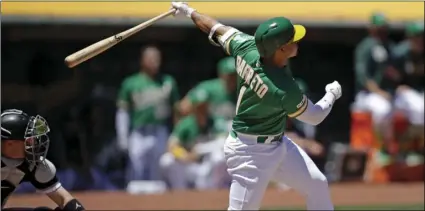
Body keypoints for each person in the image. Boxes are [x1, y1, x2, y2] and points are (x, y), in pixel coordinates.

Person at [170, 2, 341, 210]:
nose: (297, 41)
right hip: (250, 153)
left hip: (278, 143)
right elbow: (315, 116)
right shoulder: (281, 87)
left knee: (317, 184)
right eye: (292, 39)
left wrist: (189, 12)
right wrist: (332, 94)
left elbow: (213, 27)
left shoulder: (246, 46)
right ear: (281, 48)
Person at [115, 46, 180, 185]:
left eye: (157, 59)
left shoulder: (167, 82)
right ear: (143, 61)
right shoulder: (131, 83)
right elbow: (123, 112)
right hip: (139, 132)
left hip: (160, 131)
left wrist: (175, 135)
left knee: (158, 172)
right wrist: (122, 136)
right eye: (151, 59)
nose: (155, 62)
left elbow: (176, 111)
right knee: (135, 170)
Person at [1, 109, 85, 211]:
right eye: (29, 140)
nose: (34, 143)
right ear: (10, 144)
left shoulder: (32, 164)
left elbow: (64, 199)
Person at [352, 13, 400, 160]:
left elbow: (395, 72)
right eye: (378, 28)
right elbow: (363, 77)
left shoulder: (389, 46)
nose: (381, 31)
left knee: (418, 109)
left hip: (388, 93)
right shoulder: (365, 47)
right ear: (371, 29)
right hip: (367, 95)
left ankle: (406, 149)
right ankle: (383, 148)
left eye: (383, 28)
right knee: (383, 109)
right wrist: (379, 92)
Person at [160, 100, 228, 190]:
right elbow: (171, 145)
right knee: (166, 160)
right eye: (199, 108)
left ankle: (215, 192)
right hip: (189, 165)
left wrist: (202, 149)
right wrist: (185, 155)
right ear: (194, 110)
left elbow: (225, 141)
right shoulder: (187, 124)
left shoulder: (215, 122)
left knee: (219, 157)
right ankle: (179, 192)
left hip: (206, 165)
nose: (202, 111)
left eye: (204, 107)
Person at [392, 21, 424, 161]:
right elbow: (389, 79)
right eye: (417, 36)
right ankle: (411, 149)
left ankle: (417, 149)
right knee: (420, 109)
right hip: (401, 94)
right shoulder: (399, 54)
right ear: (410, 38)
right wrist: (396, 86)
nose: (421, 40)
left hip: (419, 92)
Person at [177, 57, 237, 126]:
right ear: (222, 75)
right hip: (211, 133)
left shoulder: (243, 92)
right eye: (230, 75)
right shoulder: (209, 88)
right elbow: (183, 107)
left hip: (234, 131)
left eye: (235, 75)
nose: (233, 78)